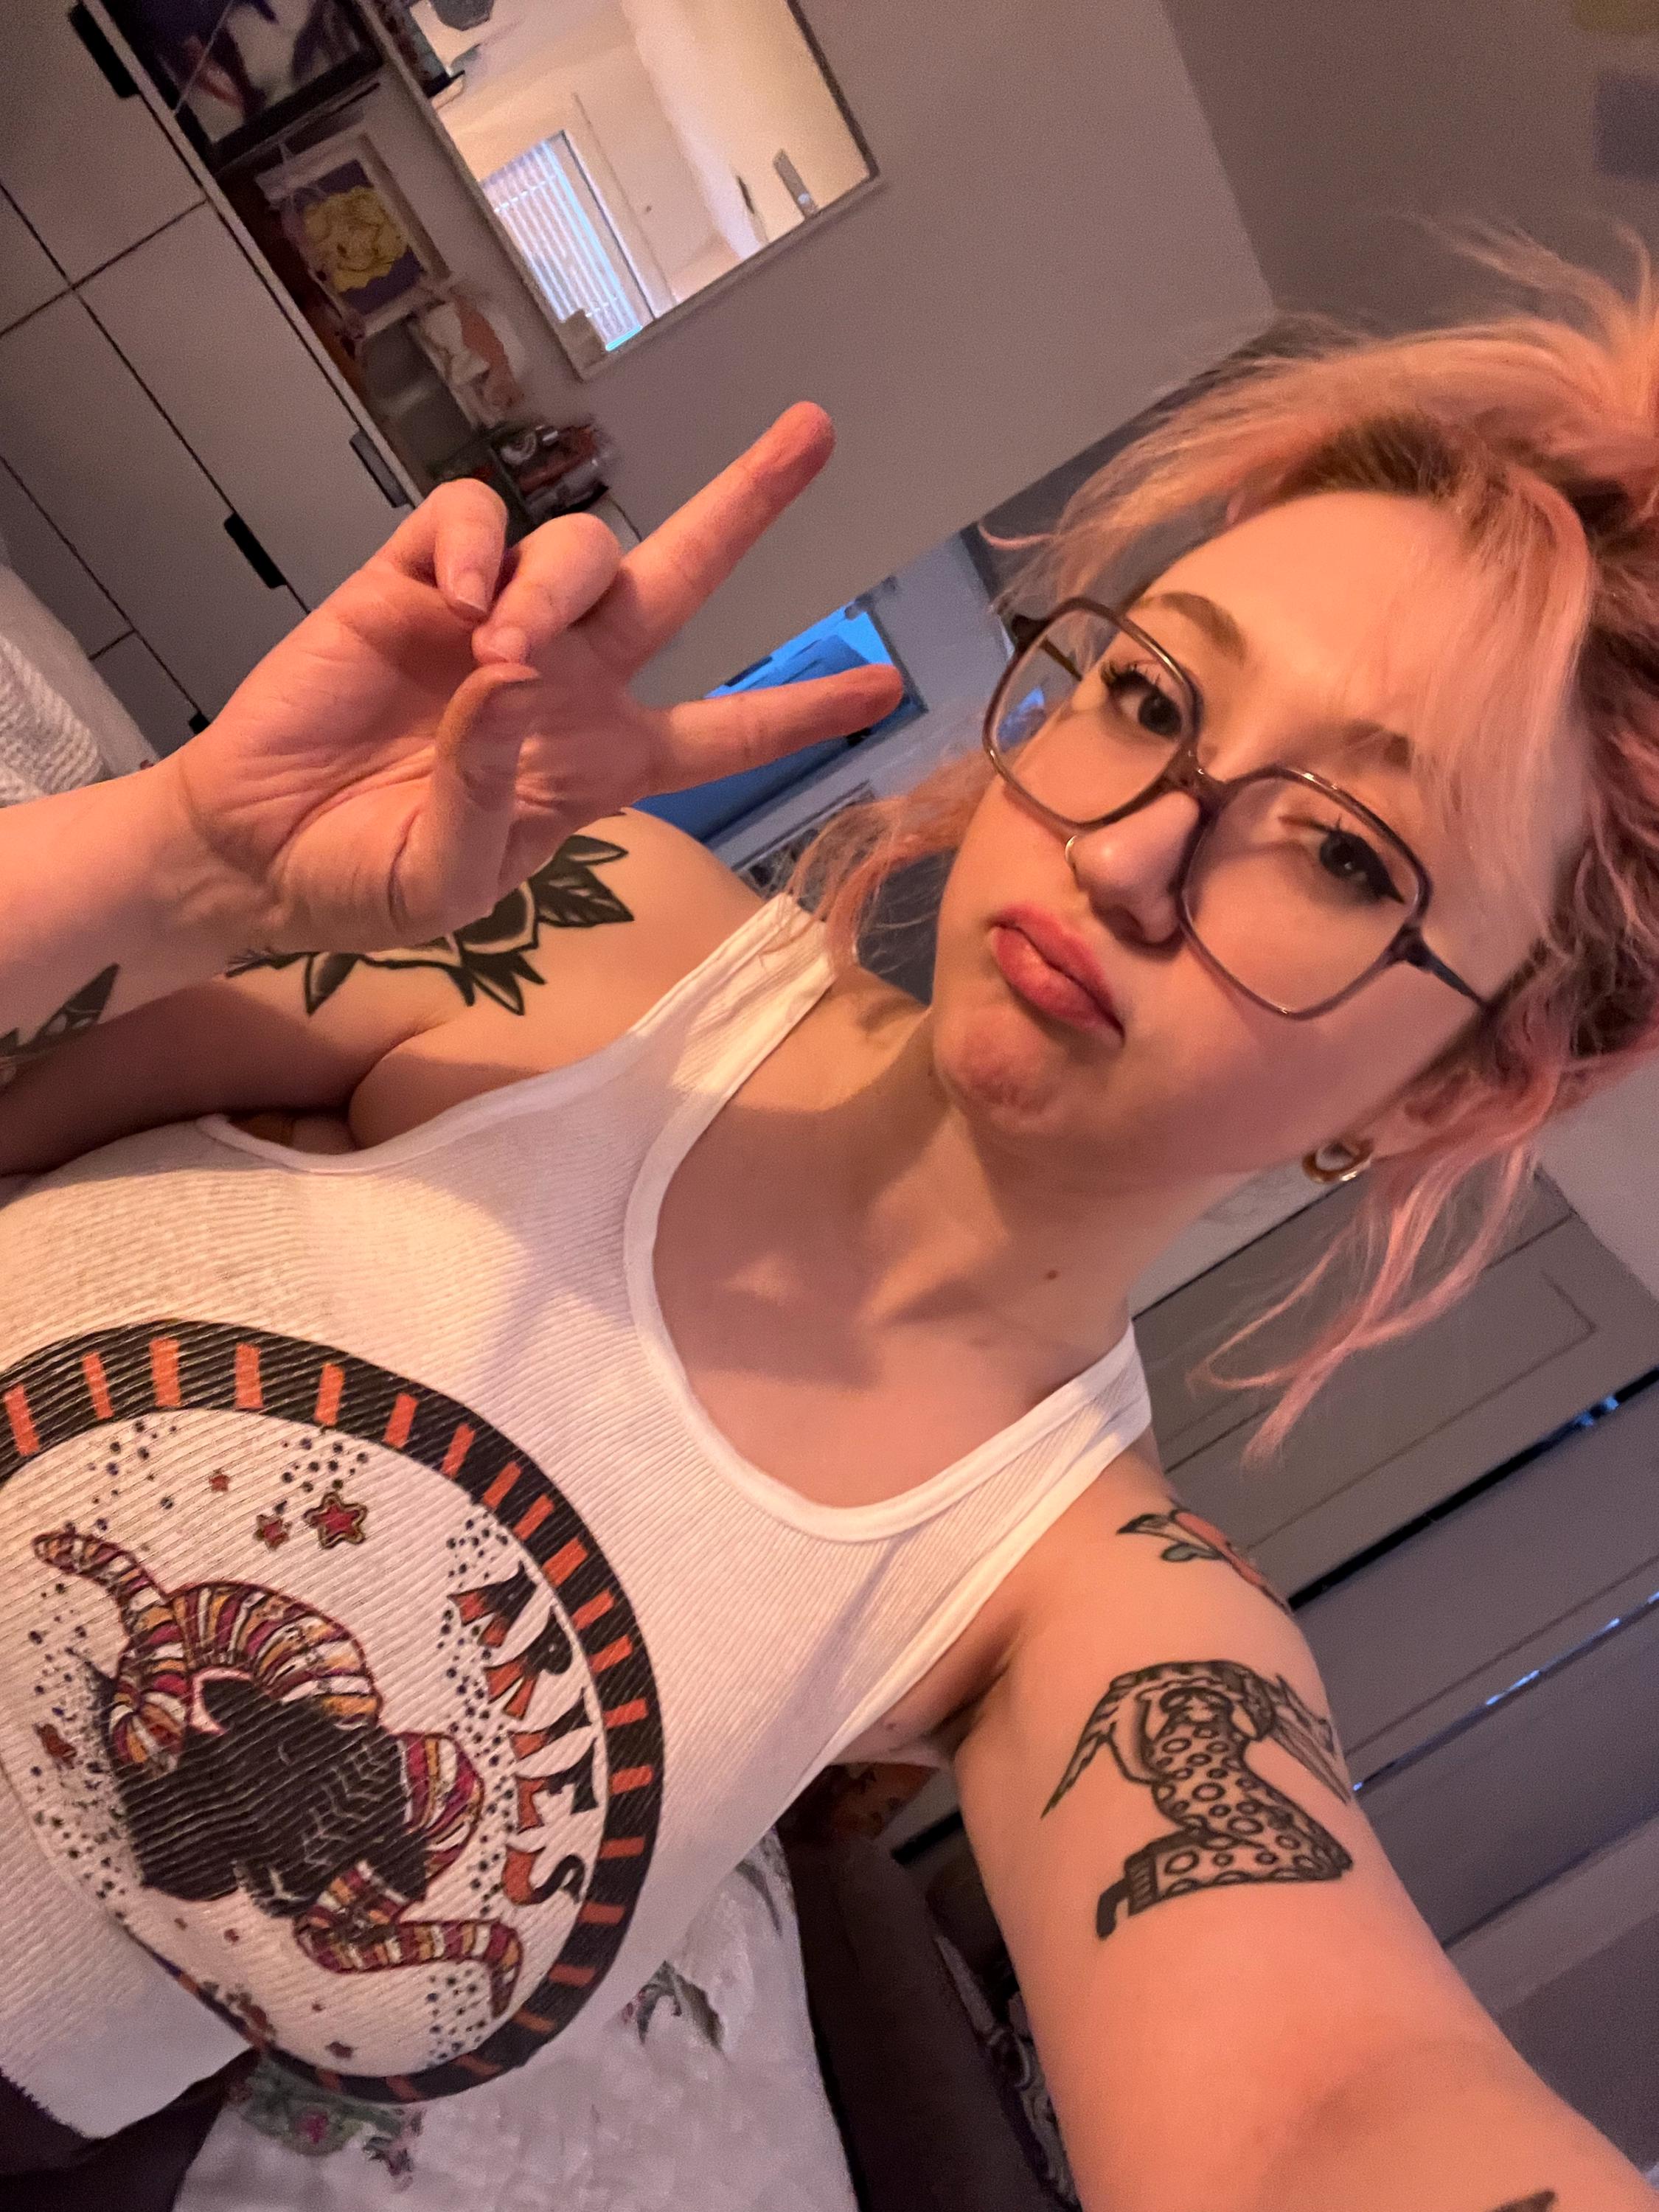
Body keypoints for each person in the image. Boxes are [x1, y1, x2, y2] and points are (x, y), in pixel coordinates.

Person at [0, 251, 1654, 2211]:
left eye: (1349, 853)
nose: (1130, 849)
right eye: (1148, 695)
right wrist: (187, 856)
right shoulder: (598, 930)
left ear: (1457, 1088)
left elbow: (1330, 2104)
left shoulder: (1085, 1599)